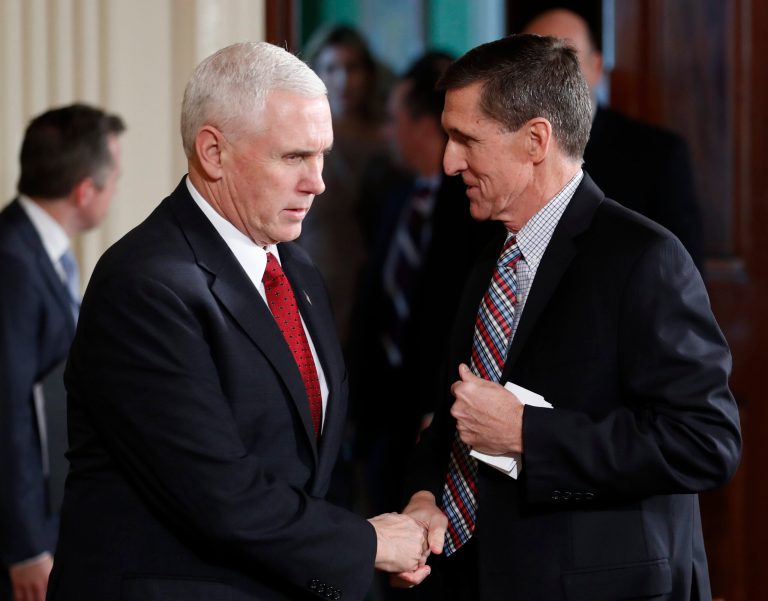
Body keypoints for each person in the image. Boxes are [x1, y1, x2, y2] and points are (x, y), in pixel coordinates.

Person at [46, 42, 428, 601]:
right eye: (294, 157)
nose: (317, 181)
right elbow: (219, 492)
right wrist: (367, 544)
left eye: (321, 155)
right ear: (213, 152)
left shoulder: (295, 268)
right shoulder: (144, 286)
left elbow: (306, 467)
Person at [394, 34, 741, 601]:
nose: (448, 161)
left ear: (535, 140)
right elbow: (454, 418)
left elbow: (706, 442)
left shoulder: (645, 258)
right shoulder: (487, 258)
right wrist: (424, 497)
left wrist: (528, 434)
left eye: (465, 139)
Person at [349, 52, 501, 517]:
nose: (387, 133)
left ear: (422, 124)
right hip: (381, 419)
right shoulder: (392, 198)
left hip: (440, 416)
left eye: (395, 120)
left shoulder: (482, 214)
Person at [0, 103, 124, 601]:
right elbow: (7, 412)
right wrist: (26, 547)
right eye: (114, 178)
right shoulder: (13, 263)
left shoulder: (34, 249)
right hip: (23, 533)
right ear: (84, 190)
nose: (116, 191)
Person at [523, 8, 704, 269]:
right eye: (535, 66)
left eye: (565, 62)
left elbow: (682, 274)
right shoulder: (494, 154)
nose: (550, 79)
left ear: (596, 67)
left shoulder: (658, 156)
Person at [298, 25, 390, 346]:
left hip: (377, 276)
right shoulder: (299, 135)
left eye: (352, 69)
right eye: (331, 68)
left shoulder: (389, 139)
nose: (343, 80)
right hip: (315, 267)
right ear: (316, 72)